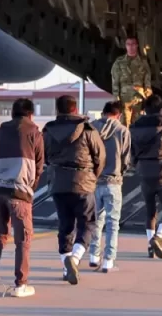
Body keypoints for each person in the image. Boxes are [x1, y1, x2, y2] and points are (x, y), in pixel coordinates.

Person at [0, 98, 44, 298]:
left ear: (12, 114)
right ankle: (21, 284)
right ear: (30, 114)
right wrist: (30, 189)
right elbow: (39, 167)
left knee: (1, 232)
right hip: (19, 192)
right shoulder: (35, 133)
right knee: (23, 239)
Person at [42, 95, 105, 285]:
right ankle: (75, 259)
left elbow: (44, 156)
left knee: (65, 225)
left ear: (57, 109)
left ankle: (66, 266)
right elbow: (100, 157)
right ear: (75, 109)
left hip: (58, 183)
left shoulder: (48, 131)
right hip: (83, 182)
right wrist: (92, 176)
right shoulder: (88, 129)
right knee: (88, 223)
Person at [129, 94, 162, 260]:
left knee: (150, 211)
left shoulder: (134, 128)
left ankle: (151, 246)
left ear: (144, 110)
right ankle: (159, 237)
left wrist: (138, 165)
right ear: (161, 110)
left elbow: (132, 154)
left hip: (144, 172)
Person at [87, 101, 131, 272]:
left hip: (93, 181)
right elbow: (126, 158)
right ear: (118, 115)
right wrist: (120, 171)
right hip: (113, 181)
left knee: (95, 220)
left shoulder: (91, 128)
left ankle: (93, 256)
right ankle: (108, 260)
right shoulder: (123, 131)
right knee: (113, 222)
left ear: (103, 112)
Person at [110, 35, 153, 126]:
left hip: (139, 99)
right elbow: (115, 81)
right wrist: (116, 99)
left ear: (137, 45)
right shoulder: (119, 62)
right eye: (128, 44)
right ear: (125, 46)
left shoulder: (143, 62)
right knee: (124, 125)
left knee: (138, 125)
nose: (131, 46)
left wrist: (148, 97)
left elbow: (147, 80)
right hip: (124, 100)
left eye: (133, 44)